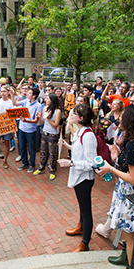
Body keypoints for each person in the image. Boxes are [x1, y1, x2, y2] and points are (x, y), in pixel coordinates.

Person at [95, 104, 134, 269]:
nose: (119, 119)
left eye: (123, 116)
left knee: (129, 236)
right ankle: (125, 257)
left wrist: (110, 168)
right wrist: (115, 157)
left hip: (129, 195)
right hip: (125, 192)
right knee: (125, 232)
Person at [58, 103, 97, 252]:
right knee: (82, 207)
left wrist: (70, 163)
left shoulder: (88, 136)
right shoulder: (81, 132)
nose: (71, 115)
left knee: (86, 210)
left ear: (81, 118)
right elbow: (80, 149)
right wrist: (68, 146)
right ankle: (81, 228)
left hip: (84, 178)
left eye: (74, 114)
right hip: (79, 176)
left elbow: (91, 163)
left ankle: (85, 243)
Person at [10, 86, 42, 173]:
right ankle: (25, 163)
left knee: (31, 149)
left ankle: (32, 164)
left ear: (34, 96)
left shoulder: (38, 106)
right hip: (21, 129)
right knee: (22, 147)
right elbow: (14, 103)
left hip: (31, 131)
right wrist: (12, 94)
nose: (27, 93)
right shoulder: (26, 101)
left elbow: (36, 120)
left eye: (30, 93)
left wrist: (26, 120)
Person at [34, 93, 62, 180]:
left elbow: (55, 125)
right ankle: (41, 167)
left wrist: (49, 118)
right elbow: (42, 123)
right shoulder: (45, 108)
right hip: (45, 133)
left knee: (53, 153)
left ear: (52, 100)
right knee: (43, 151)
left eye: (48, 99)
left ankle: (52, 170)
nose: (45, 100)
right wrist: (39, 117)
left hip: (53, 134)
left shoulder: (58, 111)